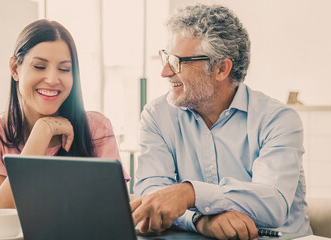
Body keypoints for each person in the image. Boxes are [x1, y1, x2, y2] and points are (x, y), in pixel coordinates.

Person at [131, 3, 312, 240]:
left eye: (176, 61)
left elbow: (272, 203)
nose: (164, 72)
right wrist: (200, 220)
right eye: (165, 57)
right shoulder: (157, 115)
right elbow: (151, 198)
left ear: (221, 69)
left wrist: (190, 194)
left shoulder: (278, 120)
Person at [0, 19, 129, 209]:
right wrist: (42, 132)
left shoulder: (96, 126)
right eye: (39, 66)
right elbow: (1, 209)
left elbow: (114, 207)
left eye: (64, 69)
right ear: (15, 69)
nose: (53, 79)